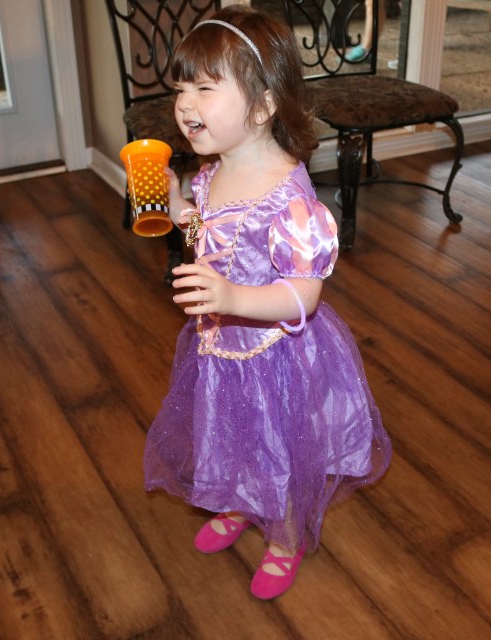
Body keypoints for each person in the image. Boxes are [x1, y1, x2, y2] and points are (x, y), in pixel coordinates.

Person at [143, 6, 392, 600]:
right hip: (220, 346)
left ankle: (284, 537)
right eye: (181, 88)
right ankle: (238, 502)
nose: (185, 104)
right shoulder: (214, 171)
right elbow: (210, 226)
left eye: (205, 88)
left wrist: (231, 296)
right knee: (227, 434)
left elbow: (304, 293)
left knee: (274, 448)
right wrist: (176, 205)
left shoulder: (290, 200)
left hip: (276, 356)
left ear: (262, 107)